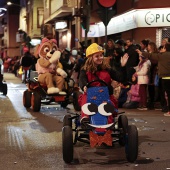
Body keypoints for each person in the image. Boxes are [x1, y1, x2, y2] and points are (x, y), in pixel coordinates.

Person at [78, 43, 123, 125]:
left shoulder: (107, 69)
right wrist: (84, 86)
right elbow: (82, 79)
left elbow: (120, 77)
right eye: (97, 56)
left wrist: (122, 67)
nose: (100, 58)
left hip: (105, 95)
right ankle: (85, 118)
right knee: (85, 99)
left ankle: (108, 122)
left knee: (107, 104)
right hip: (90, 95)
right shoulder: (85, 70)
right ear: (91, 58)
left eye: (101, 55)